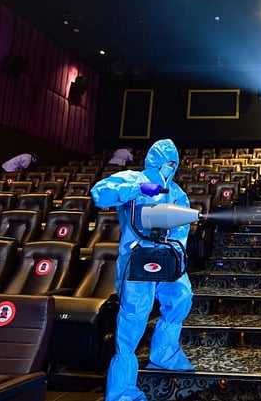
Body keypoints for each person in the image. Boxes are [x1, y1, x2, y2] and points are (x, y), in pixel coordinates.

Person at [91, 139, 194, 401]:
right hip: (136, 259)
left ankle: (165, 354)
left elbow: (181, 229)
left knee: (182, 296)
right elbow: (99, 194)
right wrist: (137, 189)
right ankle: (122, 391)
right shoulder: (131, 178)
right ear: (154, 160)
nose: (169, 167)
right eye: (166, 162)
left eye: (173, 163)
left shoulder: (176, 192)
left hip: (167, 257)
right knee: (134, 316)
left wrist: (176, 253)